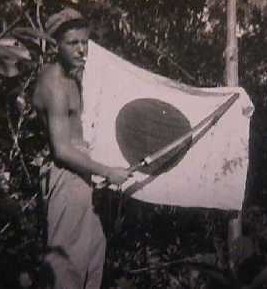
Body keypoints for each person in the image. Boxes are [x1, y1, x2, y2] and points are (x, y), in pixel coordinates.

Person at [33, 8, 130, 289]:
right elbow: (62, 149)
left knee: (91, 262)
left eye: (84, 42)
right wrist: (107, 171)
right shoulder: (53, 83)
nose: (81, 49)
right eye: (72, 43)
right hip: (67, 177)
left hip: (85, 174)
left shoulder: (75, 77)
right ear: (56, 45)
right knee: (66, 268)